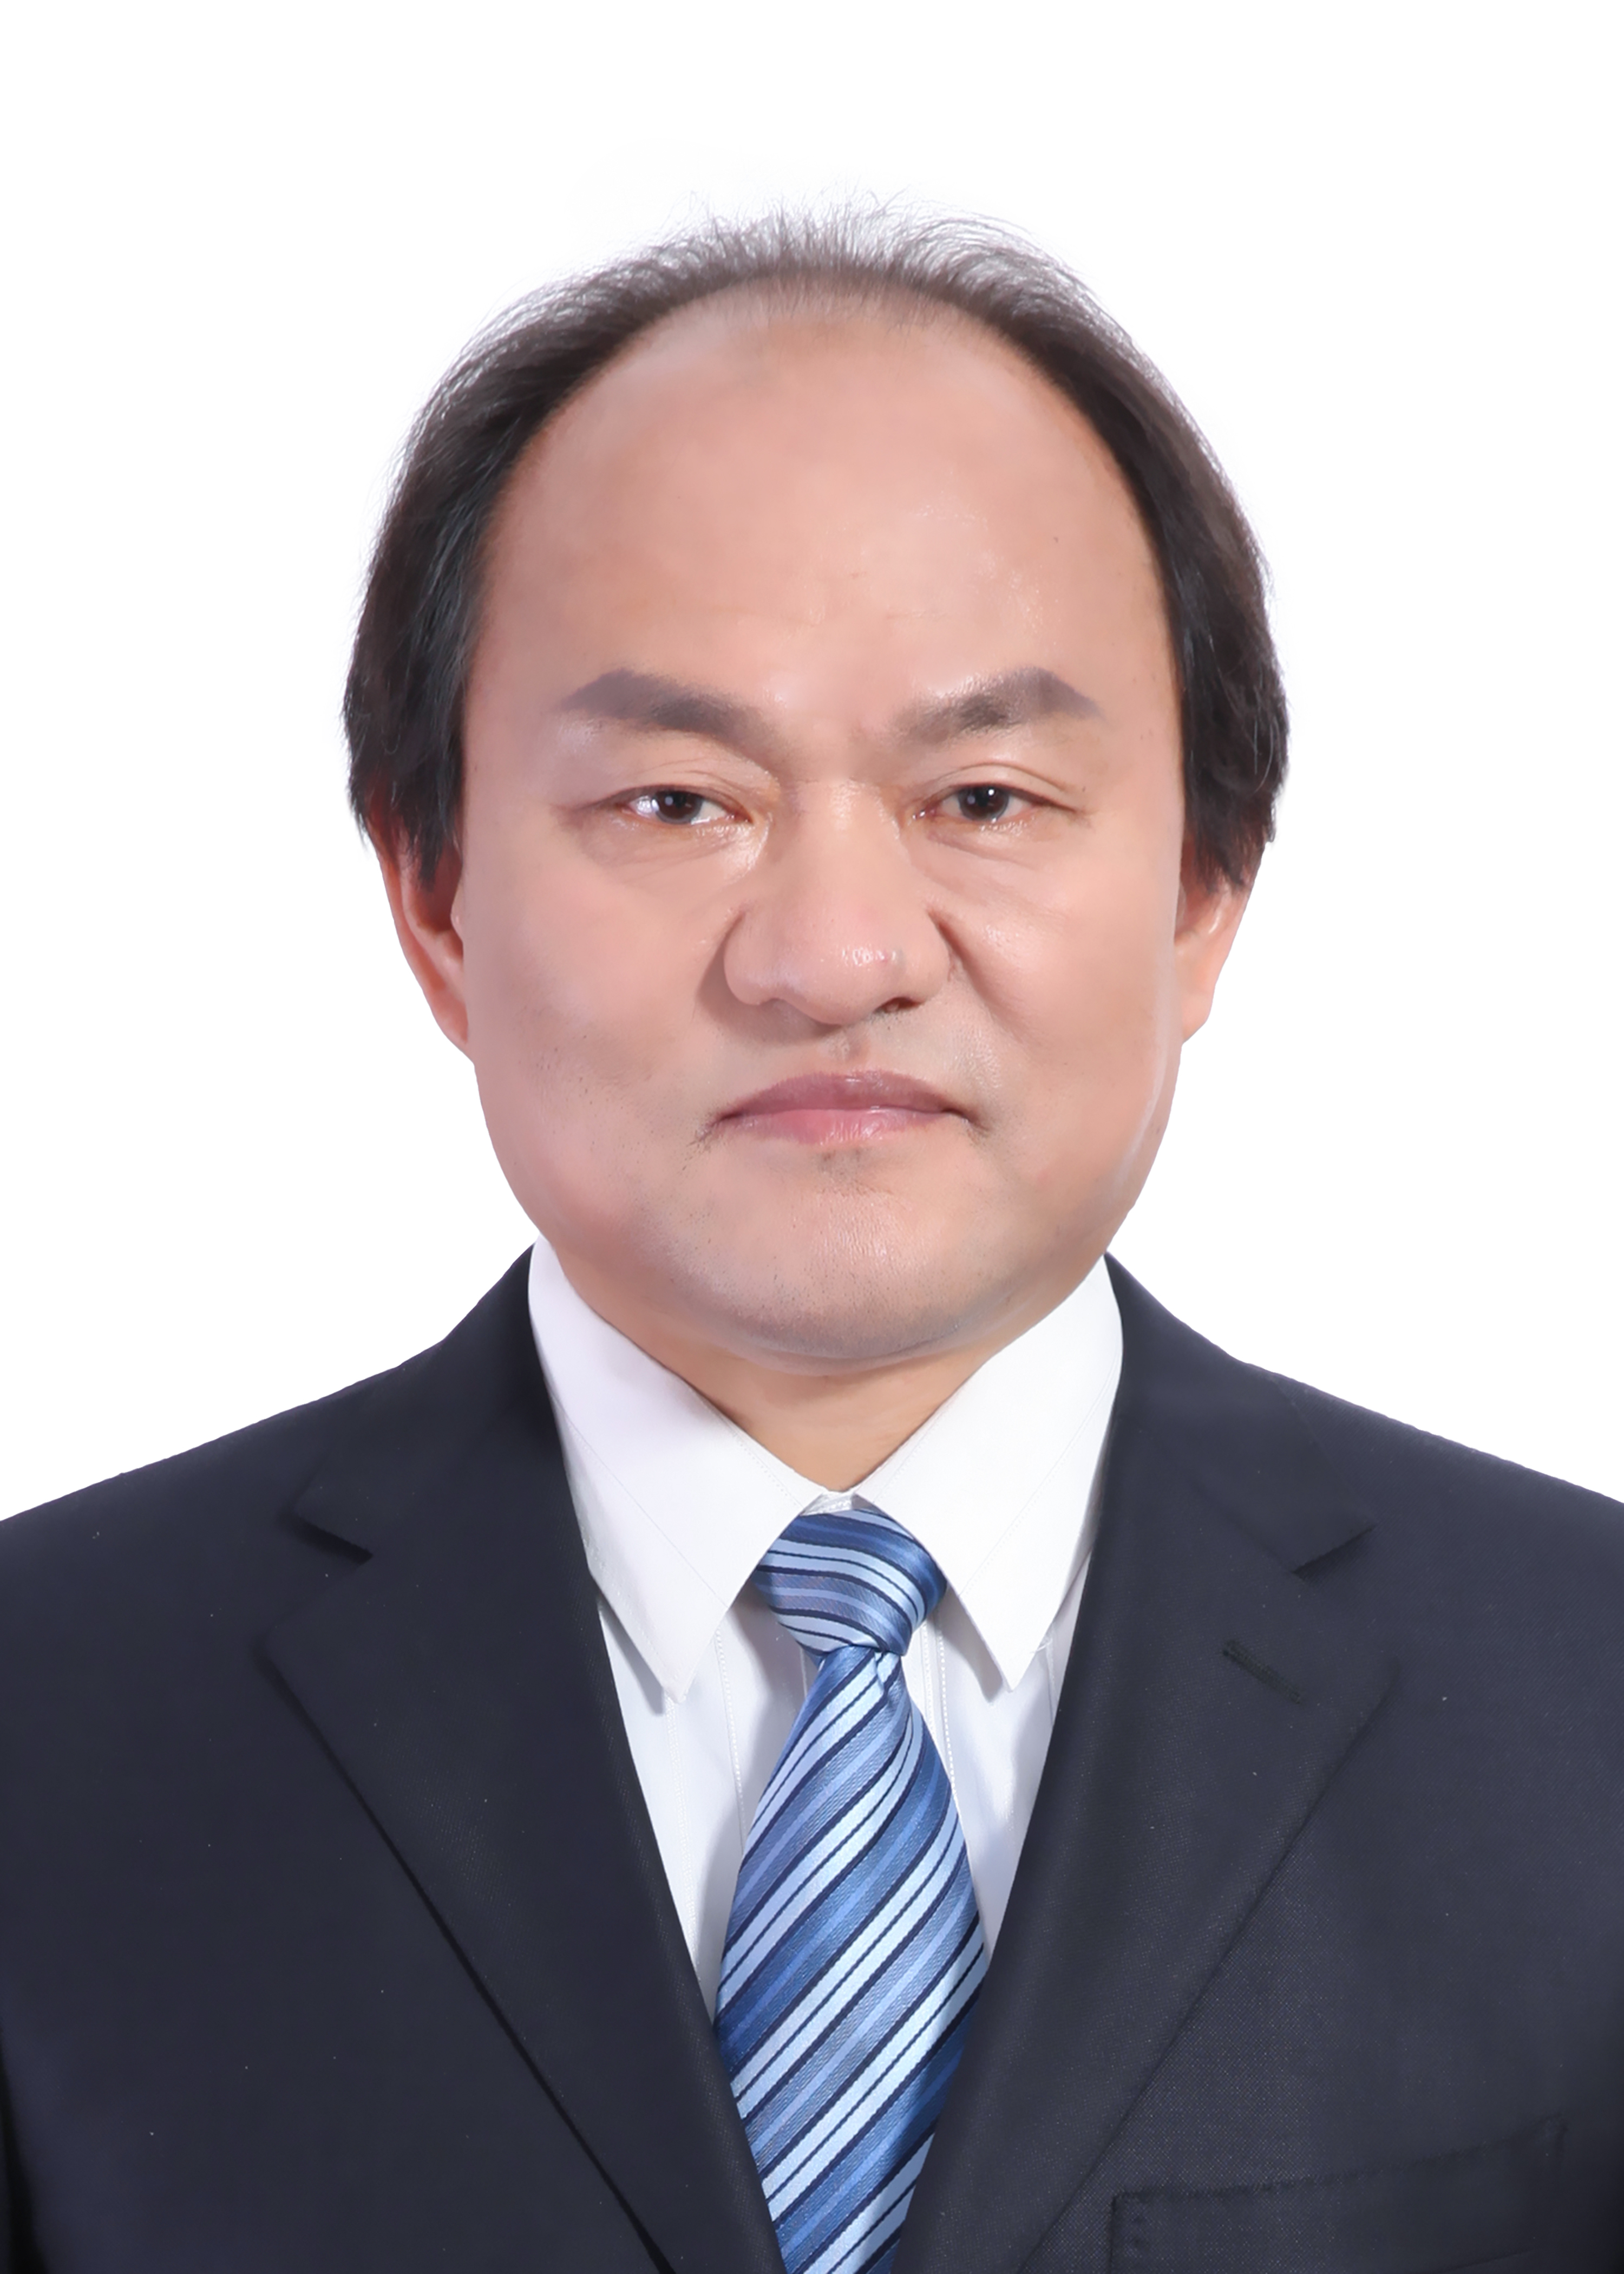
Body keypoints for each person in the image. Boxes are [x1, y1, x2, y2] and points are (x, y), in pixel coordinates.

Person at [1, 212, 1620, 2274]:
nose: (837, 957)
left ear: (1204, 889)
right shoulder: (44, 1723)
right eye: (679, 802)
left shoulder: (1589, 1703)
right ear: (435, 895)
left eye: (987, 797)